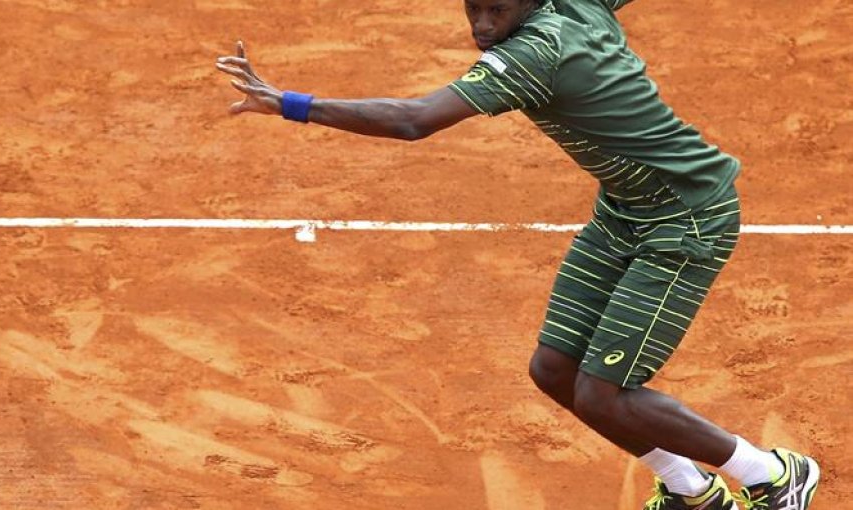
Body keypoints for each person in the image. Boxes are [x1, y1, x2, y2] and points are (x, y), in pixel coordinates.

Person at [215, 0, 821, 508]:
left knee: (602, 394)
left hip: (685, 221)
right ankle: (689, 488)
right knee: (553, 371)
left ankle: (772, 474)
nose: (480, 25)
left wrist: (289, 102)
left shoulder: (532, 54)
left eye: (495, 9)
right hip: (624, 211)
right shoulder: (577, 4)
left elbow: (414, 120)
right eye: (472, 6)